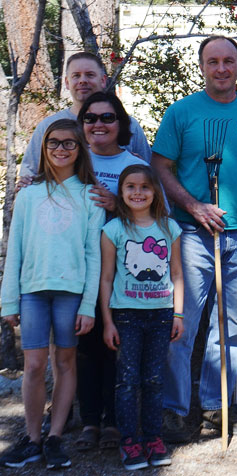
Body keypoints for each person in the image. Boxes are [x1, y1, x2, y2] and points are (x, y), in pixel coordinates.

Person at [152, 36, 237, 442]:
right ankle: (172, 409)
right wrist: (194, 205)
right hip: (189, 233)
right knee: (180, 323)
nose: (221, 68)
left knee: (232, 328)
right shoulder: (181, 112)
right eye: (213, 61)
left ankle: (216, 405)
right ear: (203, 66)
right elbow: (160, 167)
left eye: (229, 61)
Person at [0, 119, 104, 470]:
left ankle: (56, 436)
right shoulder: (29, 195)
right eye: (53, 143)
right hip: (32, 291)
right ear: (43, 149)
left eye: (69, 144)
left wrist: (88, 305)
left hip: (71, 293)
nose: (61, 149)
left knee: (65, 361)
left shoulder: (90, 196)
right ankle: (32, 439)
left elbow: (93, 254)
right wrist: (8, 300)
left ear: (80, 150)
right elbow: (15, 250)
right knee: (34, 364)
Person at [70, 91, 148, 452]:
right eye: (91, 118)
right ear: (82, 124)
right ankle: (88, 421)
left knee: (116, 346)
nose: (99, 124)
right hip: (77, 269)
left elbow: (152, 221)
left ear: (121, 124)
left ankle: (115, 422)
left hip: (121, 272)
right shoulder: (69, 158)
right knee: (85, 347)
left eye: (107, 117)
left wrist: (118, 205)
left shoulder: (133, 165)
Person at [100, 165, 184, 470]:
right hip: (126, 315)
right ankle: (129, 441)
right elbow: (106, 278)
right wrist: (108, 321)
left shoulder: (168, 228)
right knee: (127, 380)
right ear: (121, 193)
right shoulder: (113, 230)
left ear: (155, 192)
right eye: (130, 187)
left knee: (154, 379)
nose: (138, 193)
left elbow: (176, 273)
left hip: (161, 315)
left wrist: (178, 313)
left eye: (145, 187)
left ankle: (152, 437)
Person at [20, 52, 151, 178]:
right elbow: (30, 173)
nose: (83, 81)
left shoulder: (128, 125)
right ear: (67, 82)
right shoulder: (49, 126)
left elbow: (150, 176)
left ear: (103, 80)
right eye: (76, 76)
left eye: (90, 75)